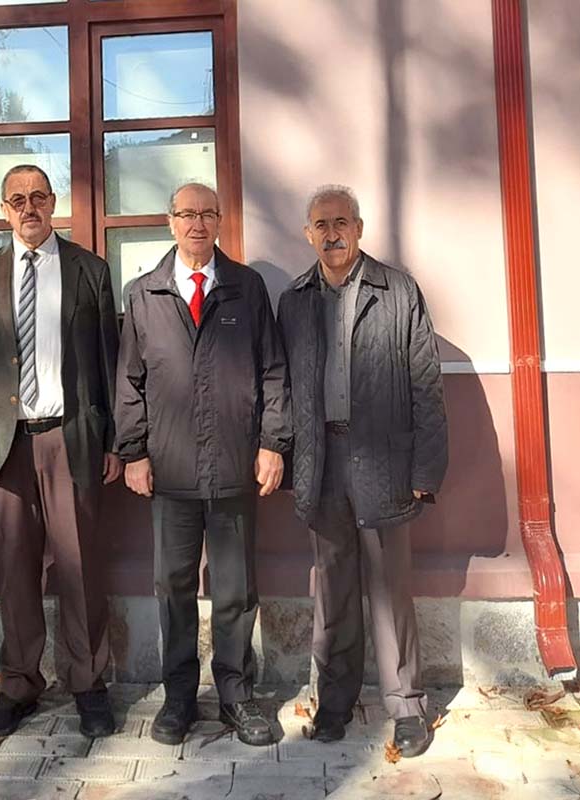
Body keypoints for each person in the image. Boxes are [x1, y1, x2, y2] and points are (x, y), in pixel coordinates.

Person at [0, 164, 122, 738]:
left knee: (80, 566)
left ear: (53, 203)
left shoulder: (89, 270)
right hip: (4, 442)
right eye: (17, 199)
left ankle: (88, 683)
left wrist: (115, 440)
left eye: (39, 197)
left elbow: (110, 361)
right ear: (4, 209)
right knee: (15, 567)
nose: (29, 208)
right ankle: (19, 683)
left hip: (70, 438)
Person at [115, 182, 290, 747]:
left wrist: (273, 443)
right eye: (186, 214)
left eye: (207, 213)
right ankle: (179, 699)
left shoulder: (246, 287)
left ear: (219, 221)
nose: (197, 224)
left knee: (236, 589)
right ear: (170, 222)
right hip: (170, 471)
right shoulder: (145, 294)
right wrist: (134, 452)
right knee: (173, 587)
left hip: (236, 465)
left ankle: (236, 696)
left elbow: (273, 370)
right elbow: (129, 382)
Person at [276, 184, 448, 757]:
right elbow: (283, 388)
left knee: (389, 590)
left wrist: (426, 468)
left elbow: (426, 383)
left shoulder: (397, 291)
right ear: (308, 234)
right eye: (321, 225)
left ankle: (407, 706)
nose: (332, 234)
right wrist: (287, 458)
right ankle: (334, 702)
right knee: (333, 587)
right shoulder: (294, 300)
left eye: (342, 223)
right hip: (321, 460)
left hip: (383, 461)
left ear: (359, 228)